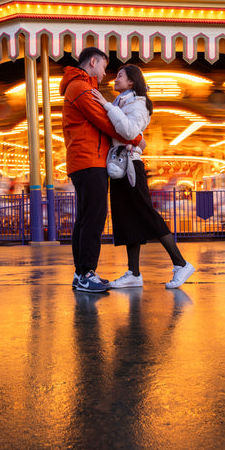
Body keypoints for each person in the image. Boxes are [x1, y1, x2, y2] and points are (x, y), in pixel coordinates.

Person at [91, 64, 195, 289]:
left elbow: (129, 132)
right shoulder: (122, 102)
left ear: (131, 81)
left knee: (146, 214)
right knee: (127, 218)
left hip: (131, 165)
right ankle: (134, 272)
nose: (115, 79)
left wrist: (107, 106)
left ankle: (181, 263)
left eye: (120, 76)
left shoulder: (137, 103)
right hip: (119, 163)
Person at [60, 47, 144, 293]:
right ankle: (86, 273)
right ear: (93, 62)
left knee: (86, 219)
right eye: (104, 67)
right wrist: (137, 139)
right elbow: (105, 121)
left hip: (86, 159)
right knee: (94, 218)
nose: (106, 73)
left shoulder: (82, 87)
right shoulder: (81, 88)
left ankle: (81, 273)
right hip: (89, 160)